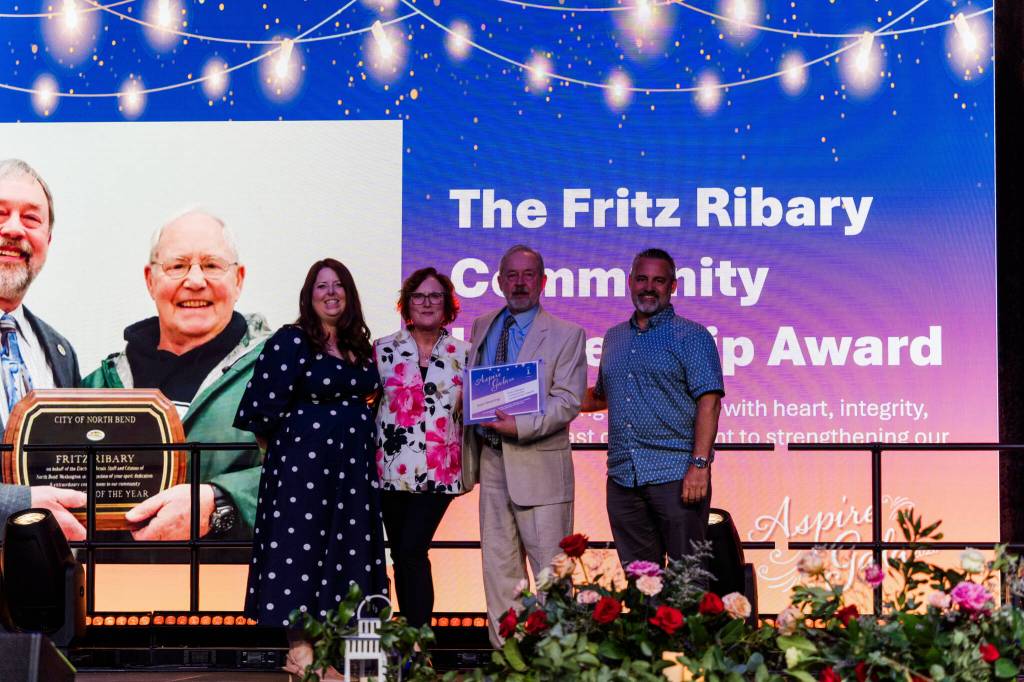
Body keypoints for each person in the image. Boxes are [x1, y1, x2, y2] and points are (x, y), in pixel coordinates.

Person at [234, 258, 387, 676]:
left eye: (339, 285)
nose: (331, 293)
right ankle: (301, 654)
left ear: (349, 294)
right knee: (298, 556)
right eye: (322, 286)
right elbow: (259, 410)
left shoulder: (359, 345)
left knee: (350, 554)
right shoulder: (292, 340)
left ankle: (347, 657)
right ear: (309, 295)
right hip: (301, 472)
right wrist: (281, 464)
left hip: (353, 474)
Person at [82, 210, 269, 542]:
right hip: (114, 575)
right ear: (150, 280)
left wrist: (221, 502)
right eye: (177, 266)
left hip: (235, 575)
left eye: (212, 265)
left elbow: (324, 474)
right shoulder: (96, 388)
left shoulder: (283, 373)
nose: (195, 281)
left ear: (238, 279)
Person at [462, 244, 587, 647]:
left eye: (528, 275)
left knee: (552, 577)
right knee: (499, 574)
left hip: (539, 466)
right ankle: (509, 660)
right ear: (499, 281)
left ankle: (555, 662)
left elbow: (568, 401)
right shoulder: (482, 325)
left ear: (543, 281)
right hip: (491, 461)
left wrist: (520, 426)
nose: (519, 283)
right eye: (511, 275)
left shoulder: (567, 335)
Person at [582, 248, 724, 567]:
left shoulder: (692, 336)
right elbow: (602, 396)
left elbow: (710, 402)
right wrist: (539, 398)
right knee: (640, 582)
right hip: (623, 479)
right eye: (642, 279)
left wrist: (700, 466)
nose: (649, 287)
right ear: (630, 282)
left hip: (676, 476)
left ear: (673, 286)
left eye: (658, 281)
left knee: (687, 580)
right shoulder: (614, 338)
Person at [374, 267, 470, 628]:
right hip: (390, 471)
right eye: (419, 296)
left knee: (412, 550)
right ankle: (412, 638)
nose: (426, 303)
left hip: (440, 472)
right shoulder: (382, 350)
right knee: (402, 555)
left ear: (447, 304)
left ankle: (418, 637)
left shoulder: (466, 353)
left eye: (435, 296)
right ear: (407, 303)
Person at [0, 158, 85, 538]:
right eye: (1, 213)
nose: (14, 228)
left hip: (45, 569)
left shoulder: (61, 351)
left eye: (31, 218)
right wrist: (19, 504)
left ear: (47, 241)